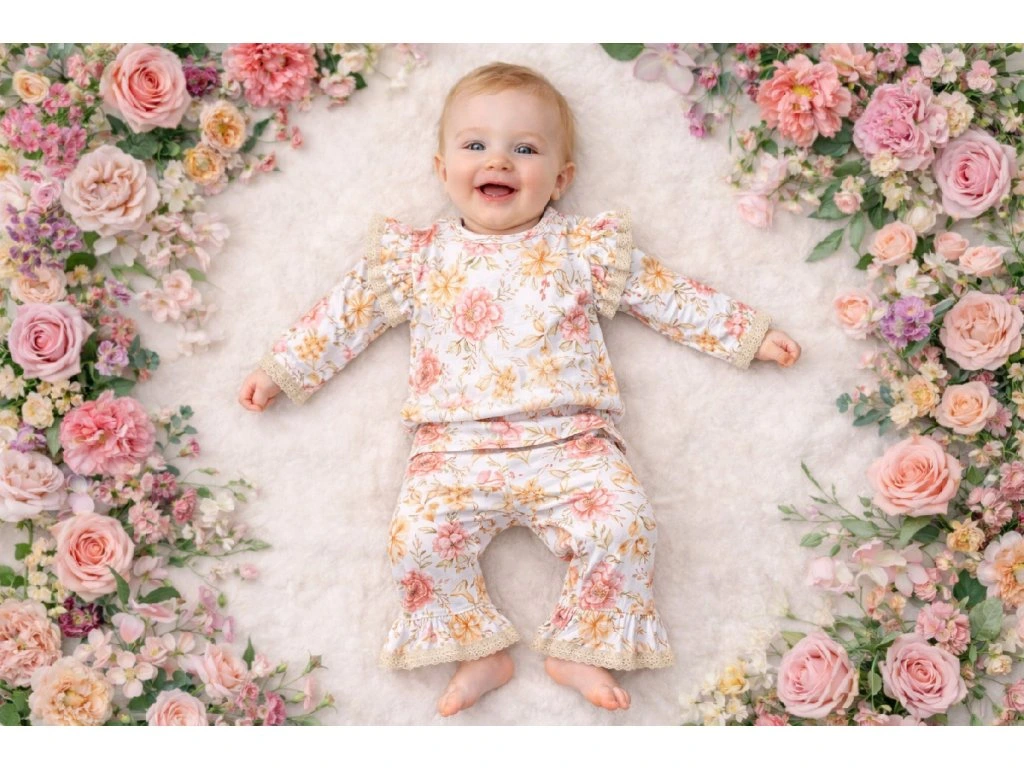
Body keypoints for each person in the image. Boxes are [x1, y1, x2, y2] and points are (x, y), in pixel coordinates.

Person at [239, 62, 801, 717]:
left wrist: (747, 335)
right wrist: (281, 369)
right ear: (442, 169)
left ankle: (580, 647)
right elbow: (345, 314)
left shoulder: (582, 250)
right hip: (453, 449)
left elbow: (665, 294)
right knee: (417, 541)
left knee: (625, 528)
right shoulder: (415, 258)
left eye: (525, 149)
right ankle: (479, 652)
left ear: (561, 179)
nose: (498, 160)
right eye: (475, 145)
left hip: (571, 444)